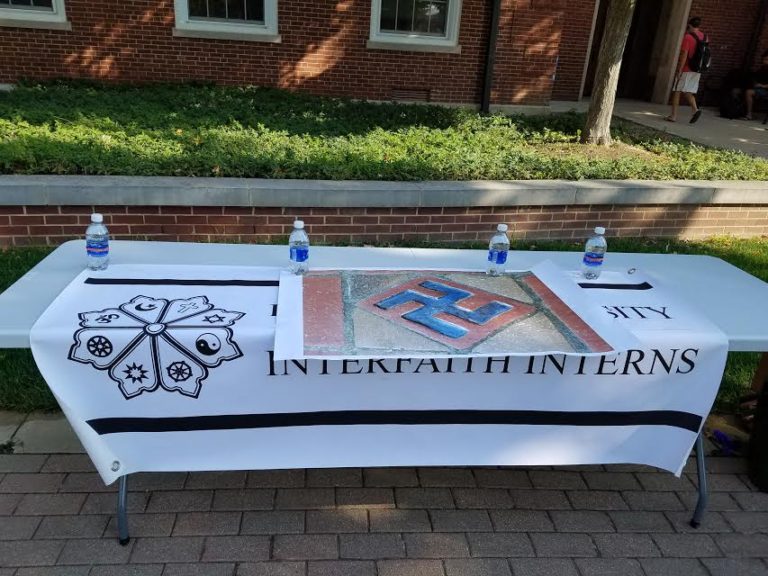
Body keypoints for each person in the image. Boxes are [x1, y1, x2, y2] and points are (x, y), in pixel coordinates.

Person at [667, 17, 706, 124]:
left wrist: (679, 69)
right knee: (688, 91)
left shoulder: (688, 37)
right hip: (697, 69)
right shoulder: (704, 37)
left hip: (686, 69)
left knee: (677, 90)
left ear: (689, 25)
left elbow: (684, 54)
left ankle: (673, 116)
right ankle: (695, 110)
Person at [743, 50, 768, 120]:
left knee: (749, 92)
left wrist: (762, 86)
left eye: (766, 59)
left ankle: (749, 114)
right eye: (764, 59)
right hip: (760, 88)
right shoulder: (763, 68)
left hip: (766, 90)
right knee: (745, 87)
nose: (764, 61)